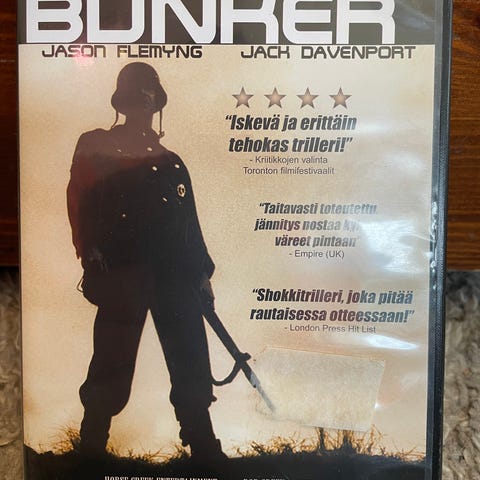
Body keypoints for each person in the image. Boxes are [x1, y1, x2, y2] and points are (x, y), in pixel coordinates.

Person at [67, 62, 224, 462]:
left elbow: (190, 225)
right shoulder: (97, 145)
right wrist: (90, 249)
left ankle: (204, 447)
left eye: (147, 100)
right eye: (135, 99)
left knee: (189, 357)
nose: (142, 107)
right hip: (124, 269)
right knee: (111, 360)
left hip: (175, 274)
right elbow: (80, 198)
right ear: (122, 103)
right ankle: (90, 448)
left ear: (156, 105)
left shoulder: (172, 162)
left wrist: (202, 275)